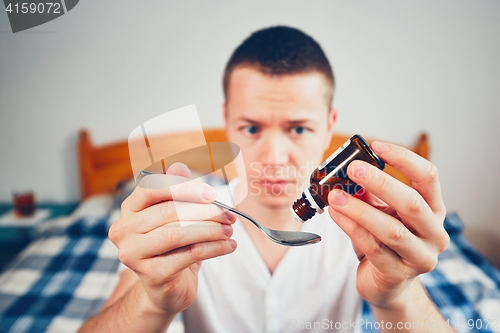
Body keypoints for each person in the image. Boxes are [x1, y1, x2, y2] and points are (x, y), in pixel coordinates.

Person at [79, 26, 454, 333]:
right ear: (227, 122)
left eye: (298, 128)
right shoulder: (183, 218)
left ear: (329, 128)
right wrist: (153, 299)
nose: (274, 158)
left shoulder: (370, 225)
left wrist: (398, 294)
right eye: (252, 127)